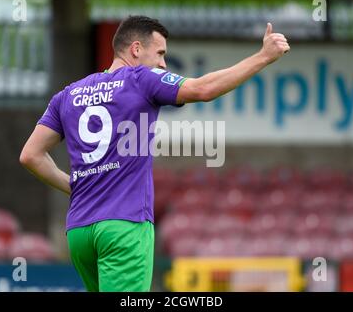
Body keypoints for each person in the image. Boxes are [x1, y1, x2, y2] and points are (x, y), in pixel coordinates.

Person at [19, 15, 289, 292]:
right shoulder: (140, 78)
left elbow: (30, 155)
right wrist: (263, 57)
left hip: (79, 232)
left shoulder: (67, 95)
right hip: (124, 227)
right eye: (160, 53)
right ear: (136, 49)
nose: (162, 63)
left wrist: (75, 188)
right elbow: (203, 89)